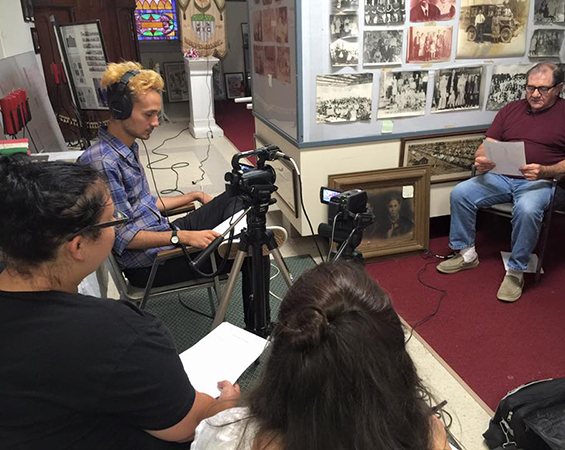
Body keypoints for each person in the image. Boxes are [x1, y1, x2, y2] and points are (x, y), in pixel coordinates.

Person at [0, 156, 240, 449]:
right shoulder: (117, 333)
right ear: (78, 246)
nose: (117, 230)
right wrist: (225, 404)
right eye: (113, 221)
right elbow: (189, 426)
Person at [79, 62, 281, 332]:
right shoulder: (104, 162)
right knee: (254, 247)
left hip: (162, 235)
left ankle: (229, 244)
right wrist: (184, 237)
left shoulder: (124, 148)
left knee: (241, 196)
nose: (156, 123)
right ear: (120, 110)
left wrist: (194, 195)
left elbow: (146, 205)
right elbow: (123, 237)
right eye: (149, 114)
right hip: (152, 263)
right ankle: (257, 327)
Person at [190, 261, 452, 450]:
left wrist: (225, 407)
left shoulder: (225, 434)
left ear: (282, 355)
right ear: (396, 361)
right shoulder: (427, 436)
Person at [436, 63, 565, 302]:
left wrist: (545, 171)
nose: (535, 94)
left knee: (528, 208)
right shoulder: (511, 110)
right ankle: (466, 253)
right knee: (461, 193)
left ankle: (516, 271)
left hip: (545, 181)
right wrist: (482, 159)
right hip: (502, 177)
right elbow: (487, 142)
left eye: (543, 89)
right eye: (530, 88)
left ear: (559, 88)